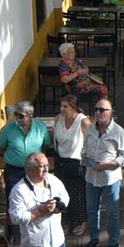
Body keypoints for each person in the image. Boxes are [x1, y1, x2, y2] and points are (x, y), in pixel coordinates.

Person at [7, 152, 75, 247]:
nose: (46, 169)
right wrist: (40, 211)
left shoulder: (52, 180)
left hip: (57, 238)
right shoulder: (19, 191)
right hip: (36, 243)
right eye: (41, 166)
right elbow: (15, 217)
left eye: (47, 165)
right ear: (30, 169)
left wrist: (58, 206)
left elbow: (64, 195)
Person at [82, 99, 124, 247]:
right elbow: (83, 149)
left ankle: (113, 241)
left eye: (102, 110)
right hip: (91, 177)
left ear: (111, 113)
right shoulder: (89, 129)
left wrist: (110, 164)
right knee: (91, 210)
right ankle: (94, 239)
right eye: (96, 109)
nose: (98, 113)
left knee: (112, 212)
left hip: (110, 179)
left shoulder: (119, 132)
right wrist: (85, 158)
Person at [0, 101, 51, 207]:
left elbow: (45, 145)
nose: (17, 118)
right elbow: (1, 148)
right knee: (13, 199)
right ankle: (13, 224)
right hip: (13, 170)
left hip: (35, 169)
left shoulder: (40, 127)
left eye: (21, 115)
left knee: (34, 198)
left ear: (30, 116)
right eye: (16, 114)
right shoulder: (8, 128)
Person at [50, 96, 88, 235]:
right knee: (62, 193)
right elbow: (55, 140)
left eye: (65, 106)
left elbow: (91, 138)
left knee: (78, 195)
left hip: (76, 163)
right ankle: (66, 220)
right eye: (61, 106)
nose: (62, 109)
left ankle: (81, 221)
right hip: (61, 162)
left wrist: (86, 156)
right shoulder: (58, 119)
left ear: (73, 107)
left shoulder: (82, 121)